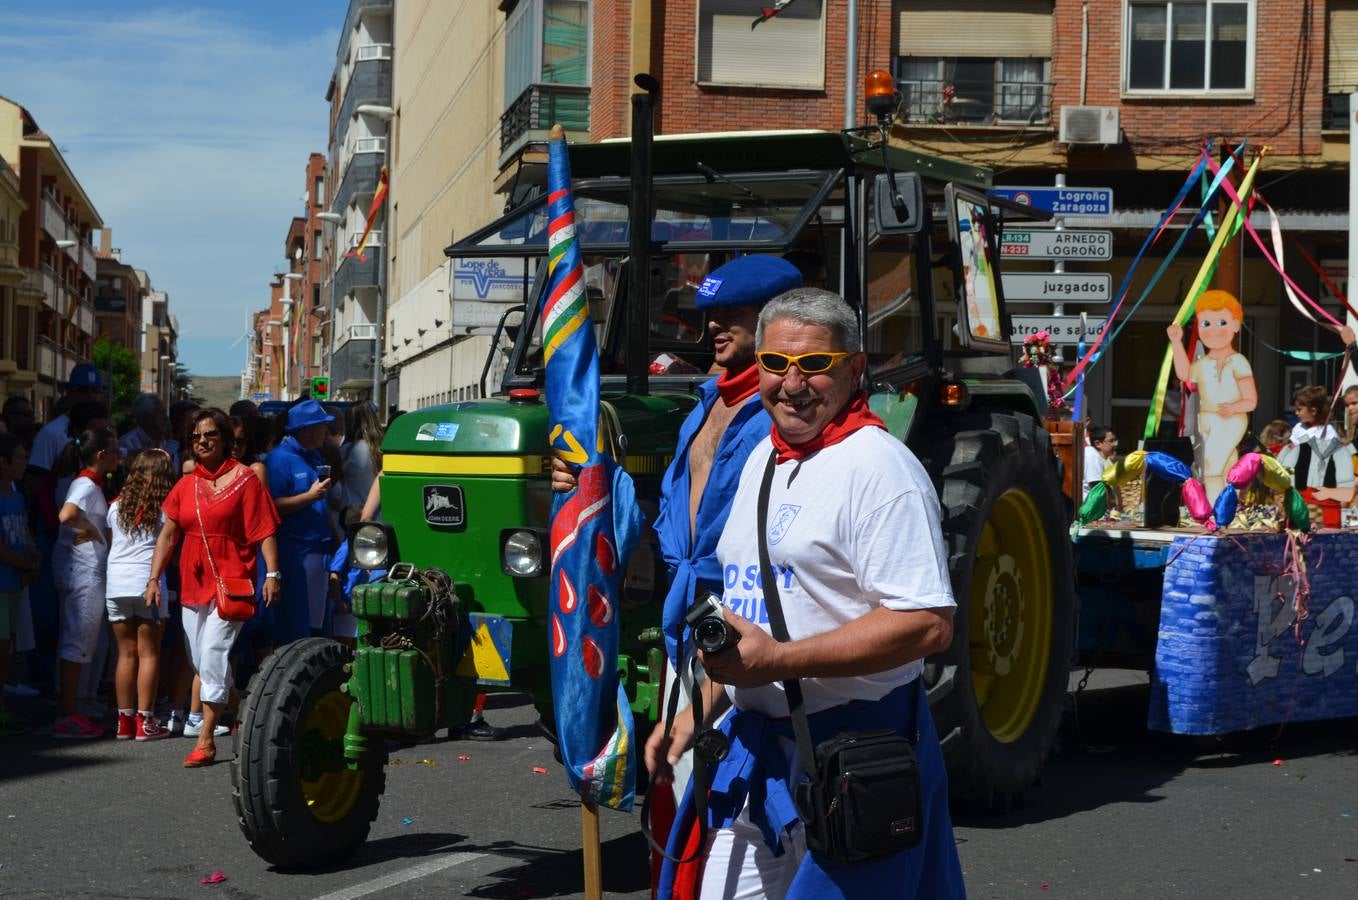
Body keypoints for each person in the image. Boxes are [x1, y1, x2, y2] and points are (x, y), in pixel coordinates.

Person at [651, 287, 964, 898]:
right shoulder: (763, 457)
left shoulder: (881, 470)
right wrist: (696, 711)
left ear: (853, 369)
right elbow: (751, 611)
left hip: (856, 755)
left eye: (815, 366)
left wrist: (781, 661)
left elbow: (928, 622)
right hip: (758, 753)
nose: (792, 384)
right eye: (775, 364)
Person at [553, 254, 802, 797]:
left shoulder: (785, 419)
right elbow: (667, 522)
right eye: (709, 312)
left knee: (747, 802)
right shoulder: (702, 407)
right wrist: (593, 487)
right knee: (684, 797)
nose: (711, 325)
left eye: (730, 313)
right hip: (689, 629)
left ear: (773, 319)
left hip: (754, 631)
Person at [147, 409, 280, 766]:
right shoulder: (185, 485)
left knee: (214, 655)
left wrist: (272, 574)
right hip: (193, 584)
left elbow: (264, 529)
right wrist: (153, 578)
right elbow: (168, 535)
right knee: (199, 660)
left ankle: (206, 739)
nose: (202, 441)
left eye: (209, 435)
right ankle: (245, 708)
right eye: (195, 437)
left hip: (233, 582)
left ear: (224, 439)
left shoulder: (245, 479)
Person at [51, 427, 120, 738]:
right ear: (101, 455)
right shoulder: (85, 485)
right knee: (76, 641)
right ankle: (66, 714)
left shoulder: (91, 484)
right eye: (115, 450)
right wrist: (91, 529)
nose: (120, 456)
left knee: (85, 641)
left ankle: (76, 705)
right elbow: (66, 515)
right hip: (82, 573)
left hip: (85, 572)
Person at [106, 450, 176, 741]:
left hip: (116, 583)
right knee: (149, 653)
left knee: (125, 653)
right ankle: (146, 722)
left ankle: (124, 720)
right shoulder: (164, 509)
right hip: (148, 581)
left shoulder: (116, 507)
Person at [1167, 290, 1257, 503]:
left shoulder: (1238, 361)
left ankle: (1216, 514)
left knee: (1211, 466)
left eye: (1222, 322)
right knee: (1226, 466)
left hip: (1230, 420)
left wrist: (1234, 408)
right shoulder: (1202, 364)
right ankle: (1231, 510)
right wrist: (1176, 342)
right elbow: (1184, 374)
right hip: (1206, 420)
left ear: (1235, 325)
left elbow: (1251, 400)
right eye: (1206, 324)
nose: (1213, 330)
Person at [265, 399, 335, 645]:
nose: (326, 432)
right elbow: (271, 507)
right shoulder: (278, 460)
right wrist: (310, 496)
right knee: (295, 624)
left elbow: (322, 504)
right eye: (322, 426)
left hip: (318, 551)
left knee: (316, 623)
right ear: (307, 430)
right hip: (295, 554)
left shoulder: (315, 456)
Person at [0, 433, 40, 735]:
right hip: (3, 582)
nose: (26, 463)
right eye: (20, 458)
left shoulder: (16, 493)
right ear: (3, 463)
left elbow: (23, 533)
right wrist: (25, 563)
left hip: (15, 583)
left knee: (8, 650)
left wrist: (33, 556)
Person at [337, 402, 383, 516]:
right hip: (379, 517)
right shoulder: (384, 450)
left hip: (352, 517)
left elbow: (334, 493)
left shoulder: (345, 451)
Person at [119, 393, 174, 466]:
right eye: (161, 413)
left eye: (165, 413)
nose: (165, 417)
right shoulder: (128, 443)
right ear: (146, 417)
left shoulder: (166, 442)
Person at [1082, 425, 1118, 500]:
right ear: (1098, 443)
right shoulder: (1092, 455)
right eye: (1111, 441)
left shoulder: (1100, 457)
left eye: (1115, 440)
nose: (1115, 444)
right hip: (1090, 507)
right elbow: (1097, 486)